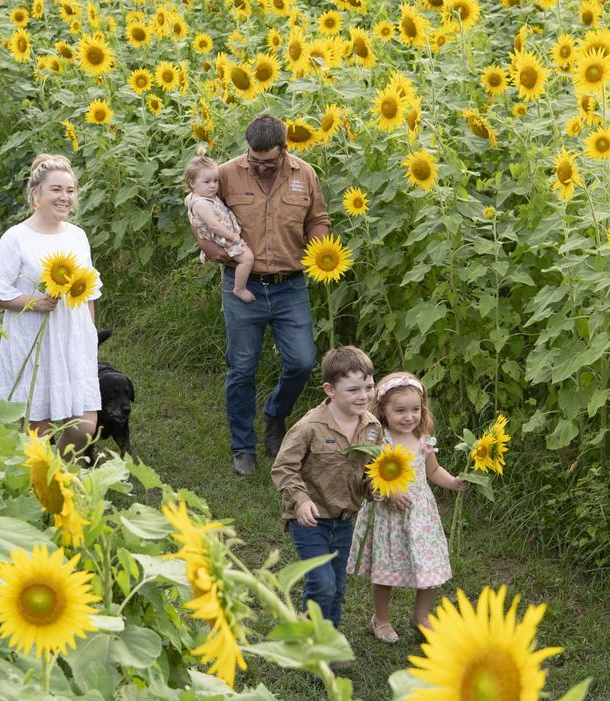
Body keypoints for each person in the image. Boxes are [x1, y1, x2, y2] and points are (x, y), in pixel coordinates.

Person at [195, 113, 330, 476]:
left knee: (302, 362)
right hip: (242, 285)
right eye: (255, 161)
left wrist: (320, 247)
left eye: (269, 162)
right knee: (241, 369)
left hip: (291, 285)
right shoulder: (226, 173)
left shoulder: (306, 175)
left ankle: (275, 414)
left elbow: (318, 218)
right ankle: (243, 446)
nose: (261, 167)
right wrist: (206, 244)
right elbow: (196, 206)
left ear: (285, 150)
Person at [0, 153, 99, 456]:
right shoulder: (16, 238)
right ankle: (34, 486)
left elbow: (89, 292)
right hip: (33, 340)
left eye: (70, 191)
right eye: (56, 189)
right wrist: (34, 302)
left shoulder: (78, 237)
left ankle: (58, 471)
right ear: (36, 194)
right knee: (36, 429)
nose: (64, 197)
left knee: (84, 426)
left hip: (73, 339)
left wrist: (89, 338)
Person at [346, 372, 468, 643]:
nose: (408, 416)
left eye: (414, 409)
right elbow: (370, 474)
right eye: (399, 410)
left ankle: (421, 616)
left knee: (430, 565)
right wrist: (390, 492)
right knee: (385, 568)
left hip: (420, 515)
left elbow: (433, 470)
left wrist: (453, 482)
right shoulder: (381, 441)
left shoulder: (423, 440)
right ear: (383, 411)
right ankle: (381, 619)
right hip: (388, 515)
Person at [270, 346, 382, 631]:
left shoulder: (372, 428)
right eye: (353, 390)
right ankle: (313, 646)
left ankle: (327, 643)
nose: (364, 396)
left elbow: (370, 469)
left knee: (337, 587)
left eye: (369, 387)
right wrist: (300, 499)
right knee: (321, 583)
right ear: (329, 389)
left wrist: (374, 487)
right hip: (309, 518)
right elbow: (283, 467)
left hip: (344, 519)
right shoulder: (310, 426)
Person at [183, 149, 256, 304]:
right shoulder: (202, 203)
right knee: (247, 258)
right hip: (223, 238)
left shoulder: (196, 197)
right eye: (207, 182)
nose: (213, 186)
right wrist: (233, 237)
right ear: (192, 183)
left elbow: (188, 200)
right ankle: (239, 288)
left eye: (216, 181)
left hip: (223, 235)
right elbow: (214, 225)